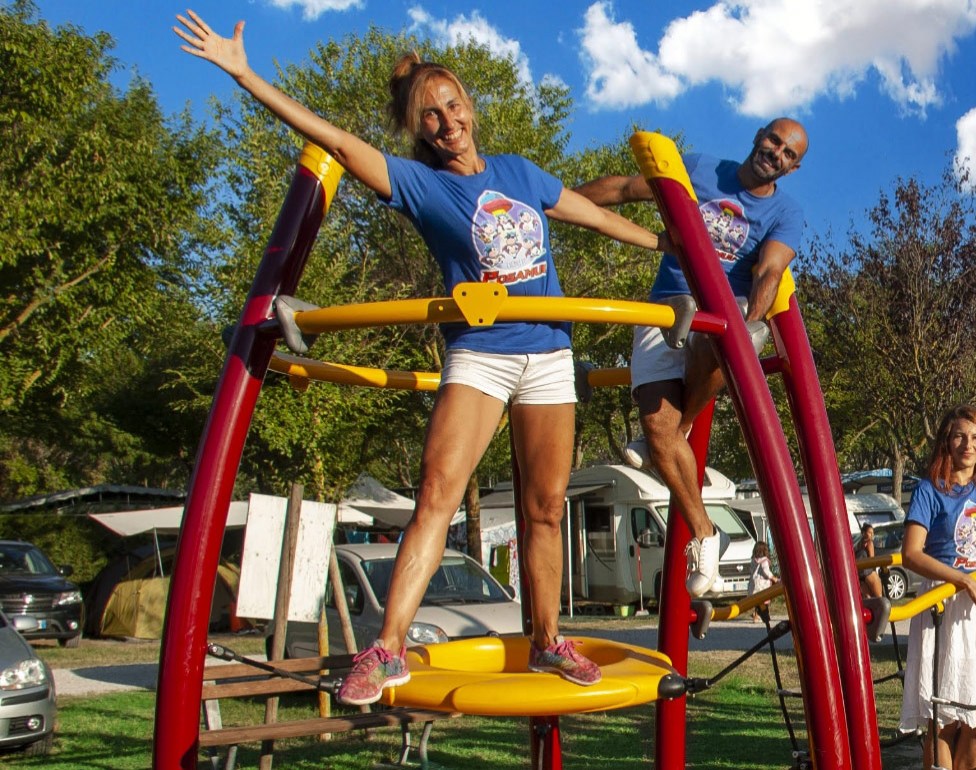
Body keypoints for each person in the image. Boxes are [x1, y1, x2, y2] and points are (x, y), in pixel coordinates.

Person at [174, 12, 666, 703]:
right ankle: (386, 648)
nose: (445, 121)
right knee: (436, 495)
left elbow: (600, 217)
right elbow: (336, 140)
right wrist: (245, 73)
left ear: (470, 107)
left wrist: (662, 246)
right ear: (417, 130)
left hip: (551, 354)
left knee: (547, 505)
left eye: (452, 106)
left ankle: (550, 640)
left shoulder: (520, 173)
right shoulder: (421, 184)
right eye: (429, 115)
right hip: (482, 354)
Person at [574, 119, 810, 597]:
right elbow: (622, 189)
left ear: (794, 166)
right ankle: (705, 532)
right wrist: (552, 198)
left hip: (727, 306)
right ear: (758, 136)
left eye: (788, 153)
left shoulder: (785, 212)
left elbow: (768, 269)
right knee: (659, 432)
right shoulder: (701, 169)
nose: (776, 153)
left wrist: (747, 327)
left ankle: (699, 385)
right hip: (666, 303)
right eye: (773, 141)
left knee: (712, 336)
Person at [899, 406, 976, 770]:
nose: (967, 444)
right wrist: (964, 579)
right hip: (944, 603)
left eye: (975, 437)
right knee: (944, 720)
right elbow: (911, 552)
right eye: (959, 436)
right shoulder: (929, 489)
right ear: (946, 441)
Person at [750, 541, 779, 623]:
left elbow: (751, 571)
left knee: (757, 602)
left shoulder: (753, 560)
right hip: (763, 585)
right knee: (764, 602)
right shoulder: (764, 561)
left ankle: (756, 615)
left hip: (754, 584)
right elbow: (766, 571)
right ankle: (764, 616)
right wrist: (773, 578)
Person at [857, 523, 886, 601]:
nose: (872, 535)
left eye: (872, 533)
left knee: (868, 598)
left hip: (860, 574)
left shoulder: (859, 544)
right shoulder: (869, 543)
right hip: (869, 572)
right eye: (869, 532)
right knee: (879, 598)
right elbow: (872, 559)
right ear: (863, 533)